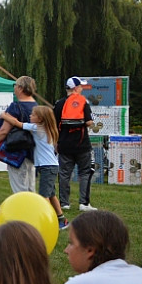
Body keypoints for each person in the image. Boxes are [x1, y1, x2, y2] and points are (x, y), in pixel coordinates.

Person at [0, 105, 67, 230]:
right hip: (51, 166)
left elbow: (17, 123)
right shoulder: (48, 129)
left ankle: (47, 220)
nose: (30, 116)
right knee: (51, 194)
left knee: (44, 196)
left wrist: (4, 115)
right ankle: (61, 218)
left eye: (33, 115)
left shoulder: (37, 128)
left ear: (40, 119)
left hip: (47, 167)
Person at [53, 76, 96, 211]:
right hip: (82, 144)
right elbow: (89, 122)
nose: (82, 89)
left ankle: (64, 203)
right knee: (84, 173)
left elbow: (54, 125)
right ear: (76, 88)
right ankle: (84, 203)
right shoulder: (83, 102)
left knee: (65, 174)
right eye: (81, 86)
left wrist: (55, 143)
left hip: (64, 144)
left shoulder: (59, 104)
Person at [0, 75, 38, 194]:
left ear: (20, 88)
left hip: (17, 150)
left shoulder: (16, 107)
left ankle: (22, 211)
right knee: (30, 186)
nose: (14, 88)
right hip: (33, 152)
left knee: (20, 187)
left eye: (15, 85)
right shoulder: (36, 106)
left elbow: (4, 130)